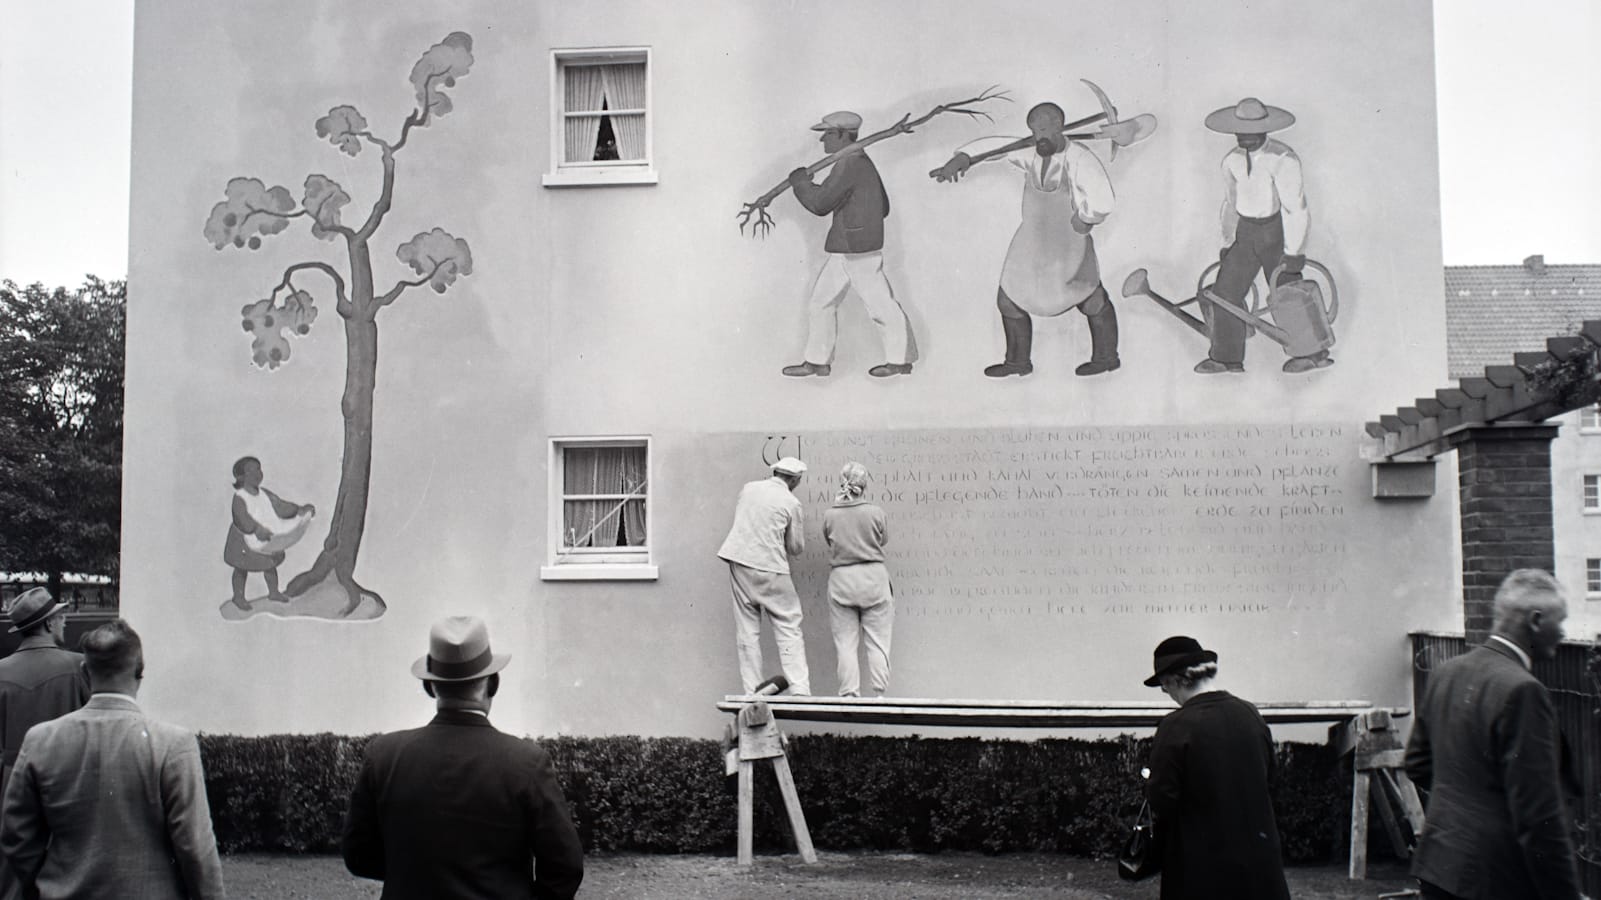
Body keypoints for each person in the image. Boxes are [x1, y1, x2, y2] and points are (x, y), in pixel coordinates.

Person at [342, 615, 584, 900]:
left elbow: (358, 856)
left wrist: (415, 875)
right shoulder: (526, 763)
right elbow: (565, 867)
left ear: (430, 686)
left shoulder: (383, 756)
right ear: (492, 684)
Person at [0, 619, 225, 900]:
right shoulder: (173, 744)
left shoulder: (41, 740)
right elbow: (196, 846)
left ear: (85, 671)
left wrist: (46, 884)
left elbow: (16, 835)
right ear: (139, 672)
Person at [1404, 569, 1582, 899]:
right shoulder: (1524, 690)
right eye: (1561, 621)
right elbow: (1538, 816)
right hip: (1494, 880)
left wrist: (1470, 806)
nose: (1562, 632)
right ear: (1536, 621)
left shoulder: (1447, 673)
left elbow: (1417, 763)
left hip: (1439, 867)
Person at [931, 101, 1120, 378]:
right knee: (1009, 298)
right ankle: (1017, 362)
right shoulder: (1029, 151)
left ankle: (1106, 357)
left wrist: (1087, 218)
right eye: (1033, 130)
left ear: (1059, 126)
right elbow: (996, 146)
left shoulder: (1079, 157)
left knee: (1090, 297)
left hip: (1067, 243)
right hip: (1031, 241)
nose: (1037, 136)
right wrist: (962, 159)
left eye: (1043, 129)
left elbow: (1103, 197)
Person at [1142, 635, 1290, 900]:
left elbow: (1162, 797)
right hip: (1259, 863)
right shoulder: (1250, 714)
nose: (1167, 694)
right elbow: (1271, 778)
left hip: (1201, 866)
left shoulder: (1175, 725)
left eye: (1164, 686)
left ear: (1176, 680)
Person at [782, 110, 917, 378]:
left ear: (844, 135)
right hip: (848, 246)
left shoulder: (850, 164)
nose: (823, 141)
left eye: (828, 134)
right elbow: (884, 207)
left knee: (880, 305)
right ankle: (817, 361)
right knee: (821, 302)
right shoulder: (857, 162)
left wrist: (800, 184)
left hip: (858, 249)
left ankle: (900, 360)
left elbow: (820, 204)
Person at [1199, 97, 1328, 374]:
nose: (1244, 138)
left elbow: (1295, 207)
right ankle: (1227, 357)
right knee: (1224, 292)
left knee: (1288, 292)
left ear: (1265, 130)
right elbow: (1230, 204)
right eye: (1239, 132)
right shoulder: (1231, 161)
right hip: (1245, 234)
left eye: (1250, 132)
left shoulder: (1283, 158)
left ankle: (1312, 354)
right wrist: (1227, 241)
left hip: (1275, 233)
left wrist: (1294, 252)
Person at [0, 588, 88, 900]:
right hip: (71, 779)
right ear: (49, 625)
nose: (64, 622)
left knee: (12, 874)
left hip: (10, 784)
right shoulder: (79, 667)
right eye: (60, 617)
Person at [716, 457, 812, 695]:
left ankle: (752, 690)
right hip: (771, 567)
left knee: (747, 627)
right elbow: (796, 548)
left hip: (739, 561)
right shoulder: (791, 502)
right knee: (788, 624)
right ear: (795, 479)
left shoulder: (749, 489)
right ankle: (800, 689)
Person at [823, 462, 894, 696]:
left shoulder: (830, 515)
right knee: (878, 642)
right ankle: (880, 694)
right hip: (873, 578)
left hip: (842, 580)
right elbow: (882, 540)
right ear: (865, 485)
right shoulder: (876, 512)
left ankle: (849, 693)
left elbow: (830, 541)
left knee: (845, 643)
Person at [224, 455, 315, 611]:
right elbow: (241, 517)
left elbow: (280, 506)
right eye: (251, 470)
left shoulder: (264, 494)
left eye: (259, 469)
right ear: (241, 476)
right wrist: (255, 529)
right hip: (243, 539)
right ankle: (238, 597)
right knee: (241, 568)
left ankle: (273, 592)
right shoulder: (239, 497)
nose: (257, 473)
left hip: (266, 537)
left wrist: (298, 510)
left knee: (269, 565)